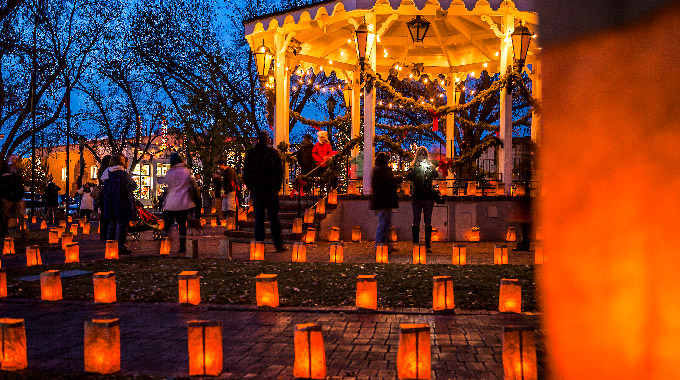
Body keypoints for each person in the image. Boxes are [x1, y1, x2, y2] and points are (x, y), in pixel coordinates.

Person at [243, 131, 286, 252]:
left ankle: (259, 243)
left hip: (258, 190)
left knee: (259, 218)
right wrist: (277, 186)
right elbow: (279, 172)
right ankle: (278, 243)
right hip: (270, 190)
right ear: (267, 140)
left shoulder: (251, 154)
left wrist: (251, 186)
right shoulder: (272, 154)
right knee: (273, 218)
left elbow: (246, 173)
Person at [101, 153, 136, 255]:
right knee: (122, 225)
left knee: (112, 224)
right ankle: (120, 246)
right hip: (122, 204)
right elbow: (133, 186)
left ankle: (110, 245)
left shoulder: (107, 174)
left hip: (110, 203)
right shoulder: (123, 174)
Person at [162, 153, 197, 253]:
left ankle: (165, 245)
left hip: (171, 202)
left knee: (168, 225)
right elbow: (192, 185)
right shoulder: (187, 172)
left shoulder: (169, 172)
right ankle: (182, 246)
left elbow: (168, 185)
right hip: (183, 202)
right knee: (182, 225)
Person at [406, 146, 438, 252]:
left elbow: (435, 174)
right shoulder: (414, 167)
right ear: (417, 156)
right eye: (420, 155)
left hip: (428, 196)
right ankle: (416, 243)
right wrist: (417, 169)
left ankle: (427, 244)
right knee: (416, 220)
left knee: (428, 220)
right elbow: (408, 176)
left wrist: (429, 168)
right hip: (417, 197)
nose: (422, 157)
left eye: (424, 155)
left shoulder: (430, 166)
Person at [370, 152, 401, 251]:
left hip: (381, 200)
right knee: (383, 223)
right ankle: (379, 245)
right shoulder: (382, 171)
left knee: (385, 223)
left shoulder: (377, 170)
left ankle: (385, 245)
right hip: (384, 200)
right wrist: (398, 179)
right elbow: (389, 182)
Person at [0, 157, 26, 238]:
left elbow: (20, 184)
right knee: (5, 216)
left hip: (17, 197)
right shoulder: (6, 173)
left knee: (21, 216)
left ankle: (24, 232)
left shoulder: (18, 172)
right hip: (8, 197)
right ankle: (4, 231)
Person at [96, 155, 111, 240]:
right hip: (107, 195)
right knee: (108, 216)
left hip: (102, 196)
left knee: (103, 215)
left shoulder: (101, 171)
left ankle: (103, 234)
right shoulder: (108, 171)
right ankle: (107, 233)